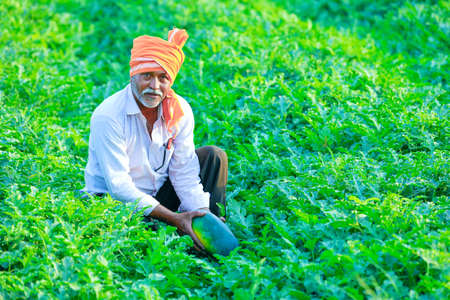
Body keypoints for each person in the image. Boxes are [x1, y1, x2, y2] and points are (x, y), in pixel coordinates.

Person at [82, 28, 228, 250]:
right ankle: (176, 231)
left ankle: (206, 235)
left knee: (213, 157)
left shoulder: (179, 111)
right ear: (133, 75)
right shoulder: (109, 116)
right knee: (127, 233)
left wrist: (202, 215)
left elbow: (184, 173)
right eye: (147, 76)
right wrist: (174, 218)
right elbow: (119, 187)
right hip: (113, 204)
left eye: (163, 78)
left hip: (157, 196)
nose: (154, 86)